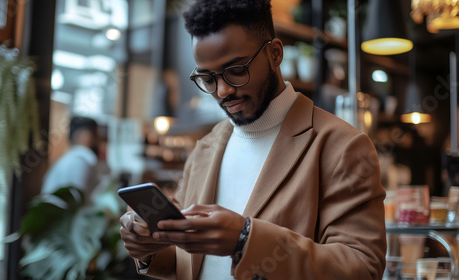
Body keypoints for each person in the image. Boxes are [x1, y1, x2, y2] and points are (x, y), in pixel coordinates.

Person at [119, 1, 386, 279]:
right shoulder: (206, 148)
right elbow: (189, 262)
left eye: (236, 70)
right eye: (208, 78)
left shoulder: (342, 146)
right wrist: (149, 246)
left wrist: (245, 239)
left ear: (275, 54)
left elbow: (362, 268)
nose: (222, 91)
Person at [42, 116, 100, 197]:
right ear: (87, 136)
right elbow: (77, 199)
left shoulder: (67, 159)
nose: (98, 140)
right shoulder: (80, 162)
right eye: (96, 135)